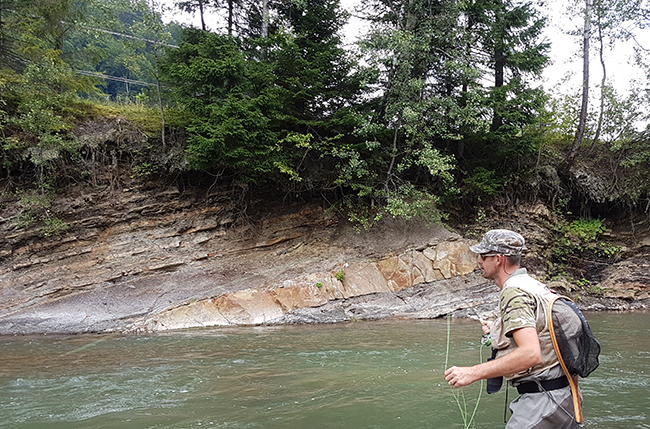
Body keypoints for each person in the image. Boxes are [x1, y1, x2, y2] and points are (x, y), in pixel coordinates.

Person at [444, 229, 580, 429]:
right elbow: (543, 333)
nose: (479, 261)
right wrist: (497, 329)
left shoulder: (514, 293)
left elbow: (531, 354)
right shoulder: (534, 286)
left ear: (498, 259)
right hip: (565, 398)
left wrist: (472, 372)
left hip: (542, 404)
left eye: (483, 256)